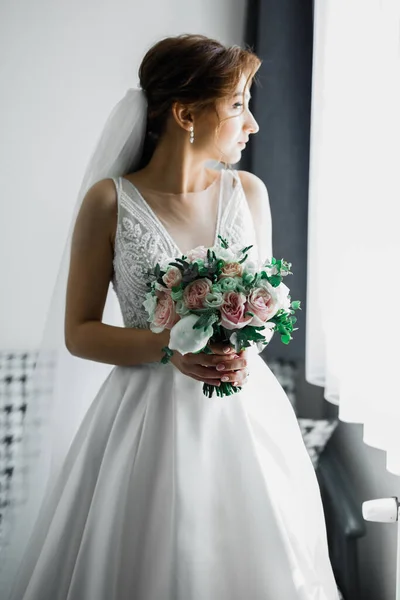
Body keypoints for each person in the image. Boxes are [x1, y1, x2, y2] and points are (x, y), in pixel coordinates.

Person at [1, 34, 340, 599]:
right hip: (145, 422)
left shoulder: (249, 193)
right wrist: (170, 347)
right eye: (237, 104)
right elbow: (79, 333)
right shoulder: (110, 202)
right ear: (186, 113)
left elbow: (264, 307)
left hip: (246, 418)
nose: (252, 124)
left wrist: (240, 343)